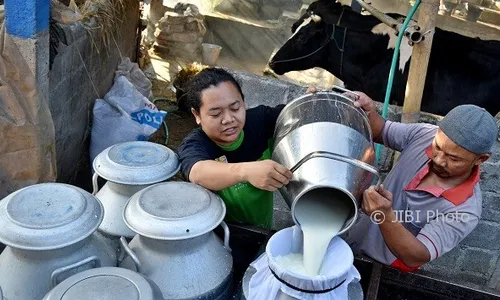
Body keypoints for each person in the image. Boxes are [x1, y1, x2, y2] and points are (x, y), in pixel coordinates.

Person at [335, 90, 499, 272]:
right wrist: (366, 111)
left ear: (481, 159)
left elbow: (415, 256)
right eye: (437, 147)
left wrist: (383, 215)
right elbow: (380, 130)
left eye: (454, 158)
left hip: (384, 269)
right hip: (351, 241)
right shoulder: (425, 135)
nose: (439, 159)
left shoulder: (465, 210)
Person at [176, 67, 294, 229]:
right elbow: (198, 172)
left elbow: (296, 113)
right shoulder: (195, 145)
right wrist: (246, 172)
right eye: (216, 114)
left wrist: (322, 99)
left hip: (259, 229)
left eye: (235, 108)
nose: (228, 119)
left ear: (243, 102)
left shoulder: (260, 121)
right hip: (219, 234)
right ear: (197, 115)